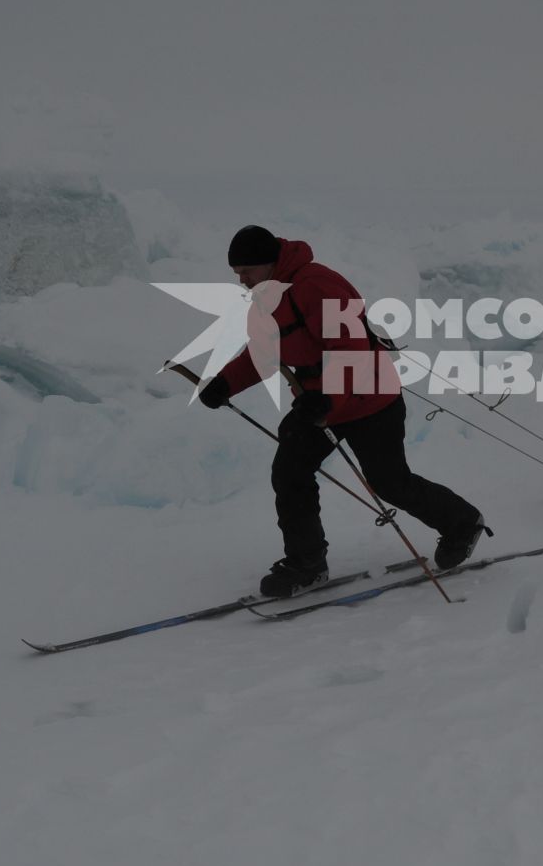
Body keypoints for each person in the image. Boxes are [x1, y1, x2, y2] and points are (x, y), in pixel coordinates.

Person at [198, 226, 488, 598]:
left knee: (389, 483)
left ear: (271, 263)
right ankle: (307, 564)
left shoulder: (317, 285)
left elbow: (350, 350)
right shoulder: (267, 297)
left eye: (246, 271)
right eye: (236, 273)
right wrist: (225, 383)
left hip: (370, 400)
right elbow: (263, 351)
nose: (242, 280)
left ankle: (463, 523)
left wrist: (329, 400)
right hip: (318, 403)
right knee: (289, 473)